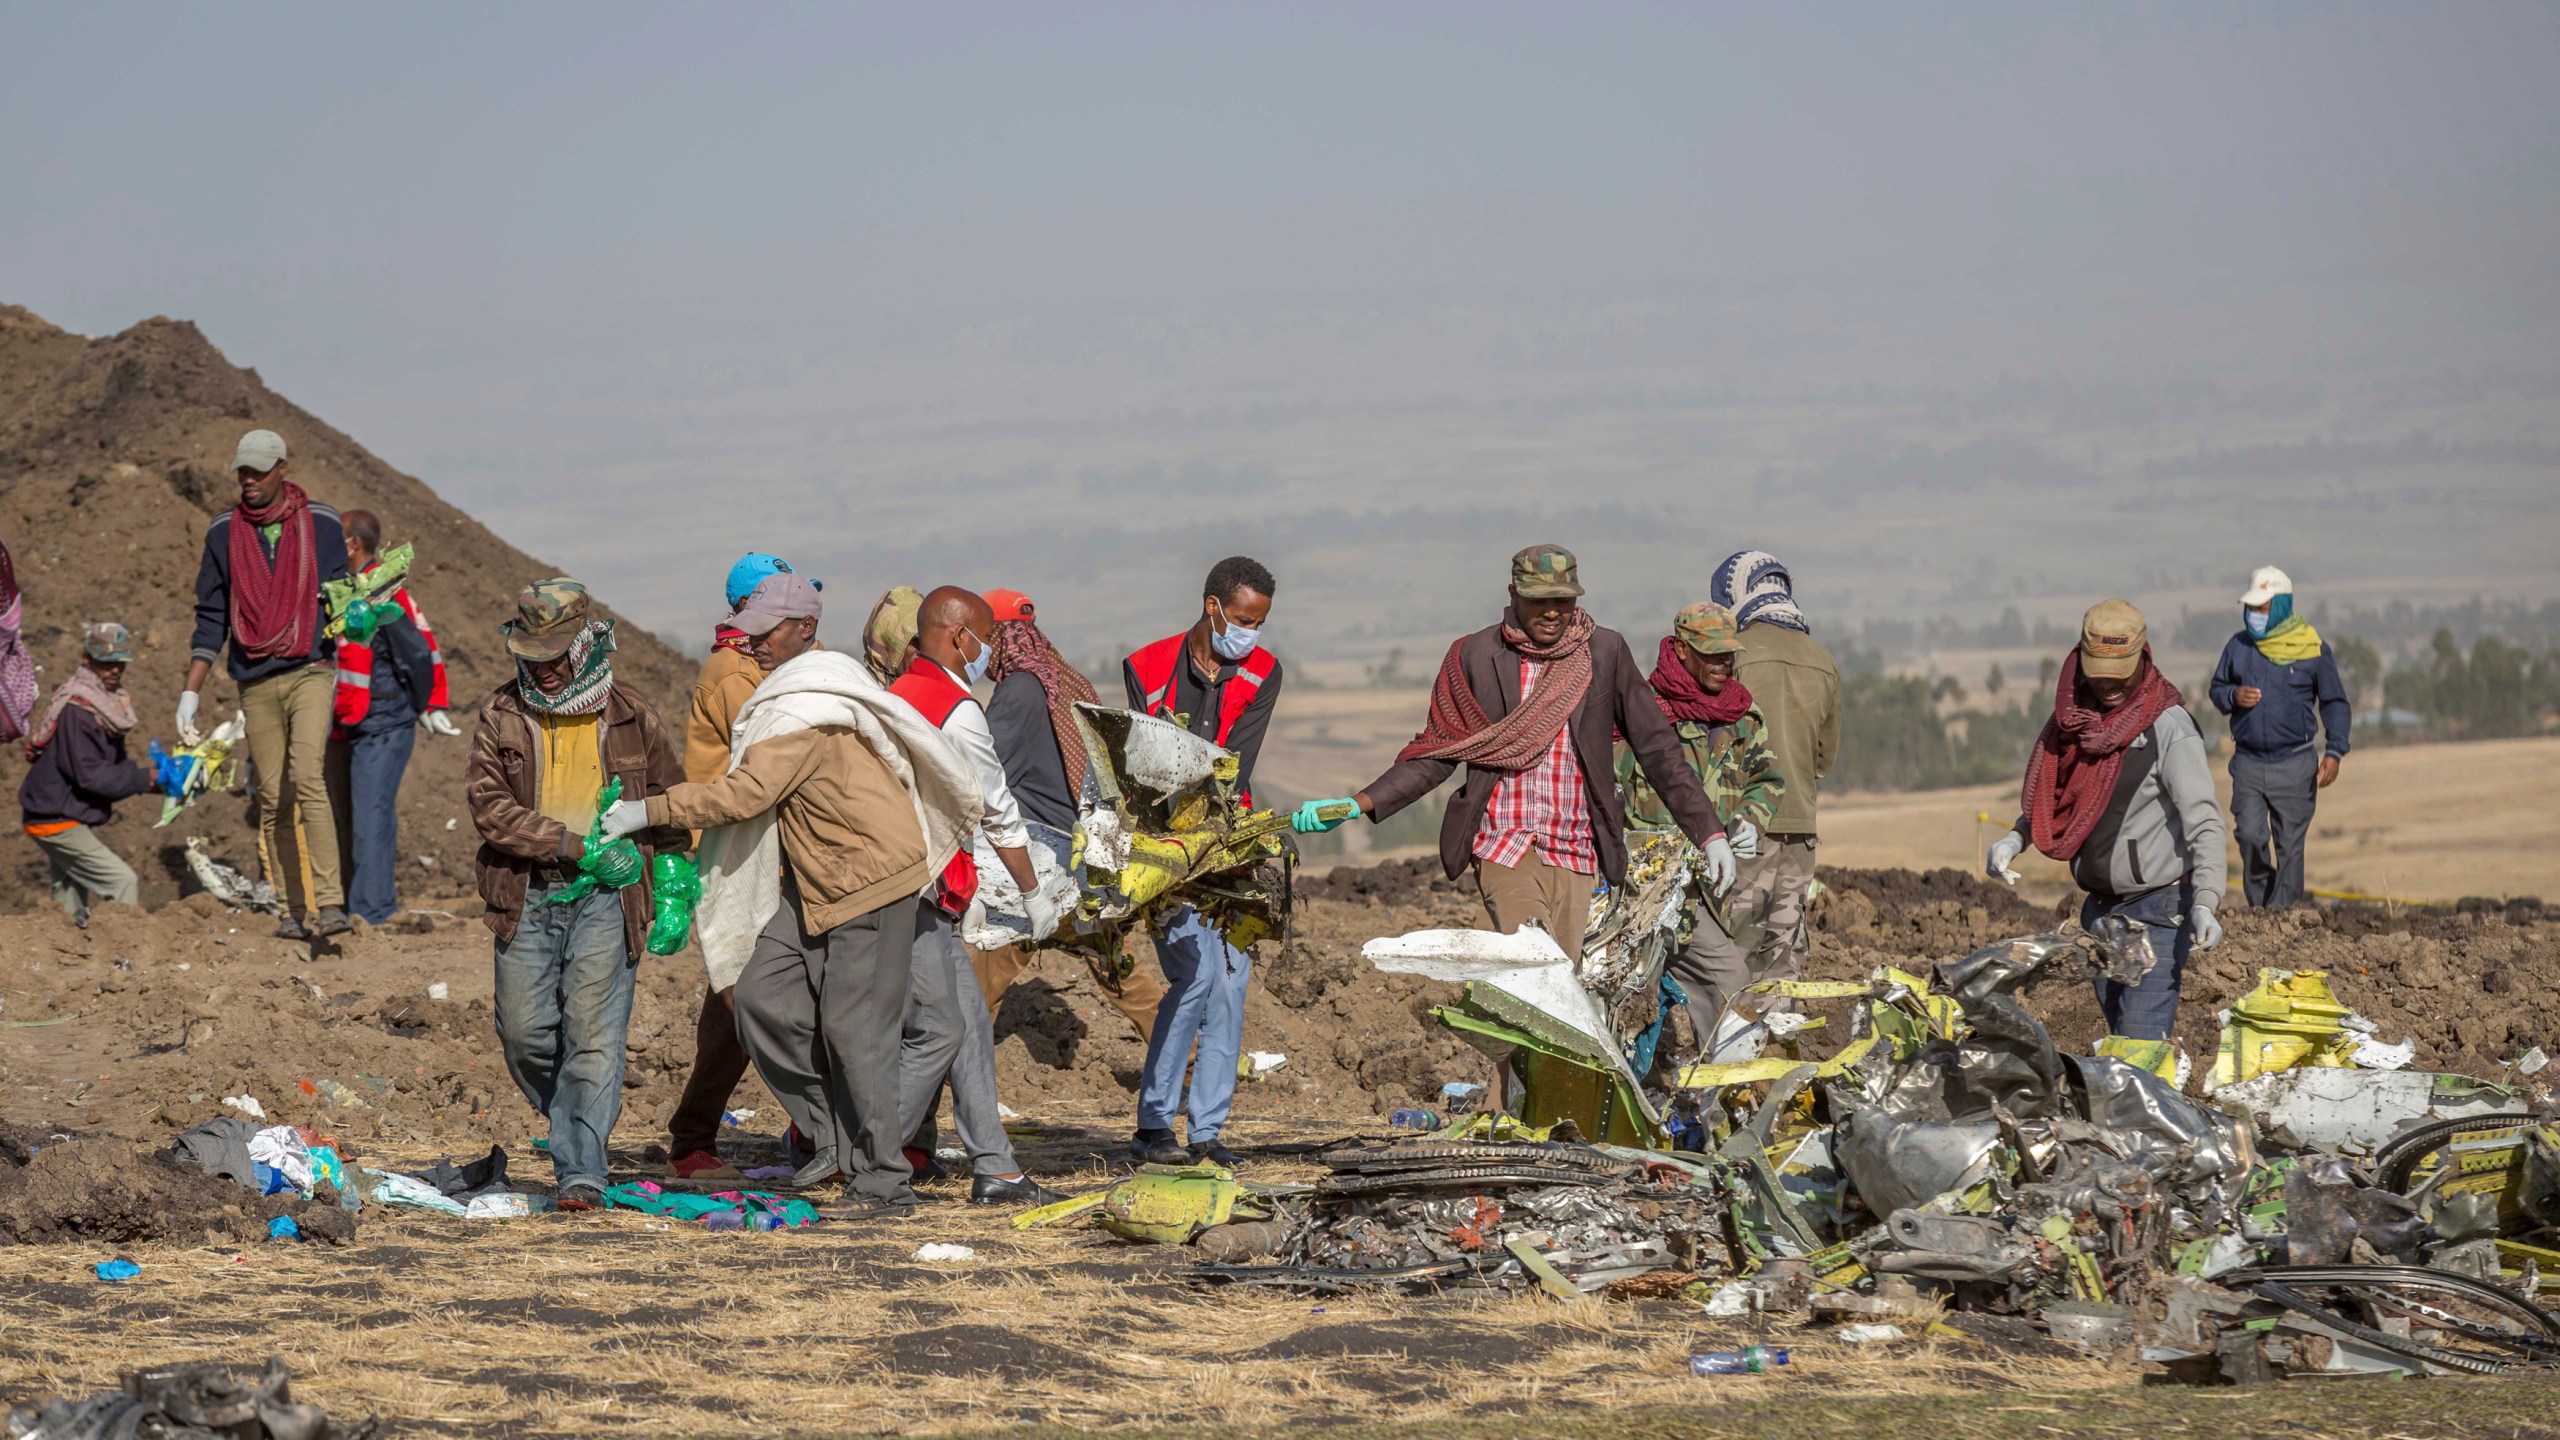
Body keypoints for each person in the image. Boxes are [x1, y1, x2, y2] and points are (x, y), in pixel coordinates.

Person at [598, 572, 981, 1221]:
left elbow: (743, 793)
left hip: (868, 878)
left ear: (804, 628)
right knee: (758, 994)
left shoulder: (809, 708)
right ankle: (831, 1135)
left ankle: (884, 1180)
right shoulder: (797, 695)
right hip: (815, 879)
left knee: (856, 1030)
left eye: (766, 634)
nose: (753, 647)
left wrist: (648, 810)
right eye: (748, 635)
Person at [1296, 543, 1736, 985]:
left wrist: (1708, 832)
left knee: (1557, 990)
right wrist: (1358, 804)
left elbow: (1657, 748)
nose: (1551, 612)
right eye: (1538, 601)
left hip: (1578, 849)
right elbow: (1437, 752)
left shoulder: (1604, 652)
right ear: (1513, 594)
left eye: (1562, 601)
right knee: (1533, 965)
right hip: (1504, 844)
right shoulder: (1473, 655)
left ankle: (1517, 1057)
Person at [466, 579, 687, 1211]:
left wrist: (672, 882)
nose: (545, 670)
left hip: (608, 900)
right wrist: (572, 846)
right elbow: (489, 808)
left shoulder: (630, 715)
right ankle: (573, 1119)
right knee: (525, 1033)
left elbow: (670, 802)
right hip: (527, 894)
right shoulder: (501, 715)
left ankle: (581, 1171)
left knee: (593, 1034)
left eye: (556, 655)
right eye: (532, 656)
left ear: (588, 643)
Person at [886, 586, 1064, 1206]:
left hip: (907, 883)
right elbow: (998, 811)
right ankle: (865, 1157)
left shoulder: (898, 693)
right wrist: (1033, 892)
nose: (987, 651)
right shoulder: (957, 712)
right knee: (938, 1029)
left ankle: (996, 1166)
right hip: (918, 890)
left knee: (969, 1028)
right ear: (961, 638)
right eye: (983, 638)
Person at [1987, 600, 2226, 1047]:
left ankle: (2146, 1112)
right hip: (2099, 913)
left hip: (2156, 911)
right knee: (2120, 1038)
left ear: (2143, 660)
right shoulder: (2074, 725)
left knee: (2139, 1048)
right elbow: (2054, 801)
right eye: (2098, 673)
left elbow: (2205, 823)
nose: (2109, 685)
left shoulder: (2168, 728)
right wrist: (2016, 838)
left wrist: (2207, 900)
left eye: (2121, 673)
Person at [1117, 556, 1287, 1168]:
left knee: (1230, 988)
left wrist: (1222, 841)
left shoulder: (1263, 672)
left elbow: (1235, 762)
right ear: (1212, 606)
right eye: (1244, 619)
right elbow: (1144, 761)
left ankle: (1208, 1131)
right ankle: (1153, 1124)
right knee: (1193, 978)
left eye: (1261, 622)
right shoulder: (1147, 665)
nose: (1251, 635)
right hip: (1162, 846)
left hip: (1228, 846)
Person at [663, 553, 814, 1183]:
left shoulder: (764, 665)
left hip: (774, 850)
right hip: (738, 853)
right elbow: (767, 760)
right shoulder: (735, 673)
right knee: (738, 1000)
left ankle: (810, 1130)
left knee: (783, 993)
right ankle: (694, 1138)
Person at [970, 587, 1164, 1041]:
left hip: (1037, 864)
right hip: (1082, 857)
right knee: (1120, 970)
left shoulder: (1017, 690)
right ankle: (1190, 1063)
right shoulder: (1066, 680)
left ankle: (953, 1079)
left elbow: (983, 775)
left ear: (998, 636)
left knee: (984, 977)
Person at [182, 428, 353, 939]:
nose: (249, 480)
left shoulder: (321, 524)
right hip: (254, 677)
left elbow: (341, 598)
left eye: (258, 471)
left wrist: (356, 614)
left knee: (306, 775)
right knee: (273, 795)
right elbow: (211, 615)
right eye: (243, 471)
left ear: (283, 468)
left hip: (310, 670)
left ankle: (331, 902)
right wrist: (190, 689)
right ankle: (291, 910)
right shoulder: (222, 532)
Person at [1614, 602, 1786, 1047]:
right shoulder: (1640, 714)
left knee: (1730, 984)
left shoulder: (1743, 715)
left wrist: (1751, 819)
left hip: (1703, 890)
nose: (1723, 664)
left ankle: (1734, 1096)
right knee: (1621, 996)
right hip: (1639, 889)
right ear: (1680, 650)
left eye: (1728, 654)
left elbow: (1767, 779)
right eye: (1711, 653)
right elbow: (1606, 789)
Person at [1706, 550, 1839, 988]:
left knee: (1732, 950)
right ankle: (1777, 1047)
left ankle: (1728, 1050)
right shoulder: (1824, 661)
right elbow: (1824, 762)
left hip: (1741, 826)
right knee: (1783, 956)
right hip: (1801, 828)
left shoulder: (1733, 656)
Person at [324, 510, 441, 926]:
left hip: (385, 721)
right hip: (356, 723)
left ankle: (370, 912)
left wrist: (420, 705)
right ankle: (366, 902)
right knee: (364, 814)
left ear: (353, 544)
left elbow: (416, 654)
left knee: (371, 814)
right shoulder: (348, 591)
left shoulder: (382, 595)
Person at [2209, 566, 2351, 911]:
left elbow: (2334, 703)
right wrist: (2232, 697)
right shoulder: (2238, 647)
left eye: (2262, 608)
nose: (2254, 615)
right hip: (2248, 763)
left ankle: (2282, 916)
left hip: (2295, 762)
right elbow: (2217, 689)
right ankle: (2260, 910)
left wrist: (2334, 752)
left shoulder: (2312, 649)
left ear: (2283, 606)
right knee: (2251, 837)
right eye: (2251, 608)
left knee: (2290, 845)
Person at [19, 624, 154, 926]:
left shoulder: (103, 704)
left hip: (57, 812)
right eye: (106, 662)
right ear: (87, 660)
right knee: (122, 882)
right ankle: (125, 955)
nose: (114, 669)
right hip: (55, 817)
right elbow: (90, 775)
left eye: (119, 662)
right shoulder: (79, 709)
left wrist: (149, 780)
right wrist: (146, 779)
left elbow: (109, 767)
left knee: (69, 900)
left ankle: (66, 959)